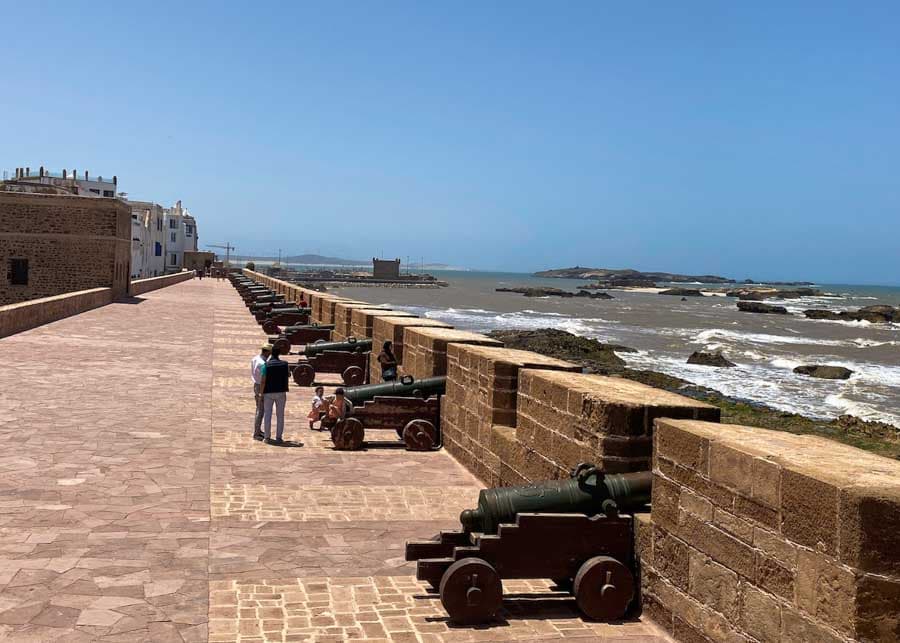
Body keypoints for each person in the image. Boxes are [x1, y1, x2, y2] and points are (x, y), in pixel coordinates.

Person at [259, 346, 290, 444]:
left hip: (268, 392)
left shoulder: (266, 365)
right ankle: (279, 437)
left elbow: (263, 381)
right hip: (281, 391)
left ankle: (267, 437)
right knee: (280, 415)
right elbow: (288, 374)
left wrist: (261, 393)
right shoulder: (285, 364)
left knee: (267, 414)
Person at [250, 343, 271, 440]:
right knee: (260, 411)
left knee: (259, 409)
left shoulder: (255, 358)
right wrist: (262, 393)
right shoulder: (263, 364)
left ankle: (258, 430)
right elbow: (263, 380)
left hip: (256, 385)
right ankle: (256, 433)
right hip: (261, 387)